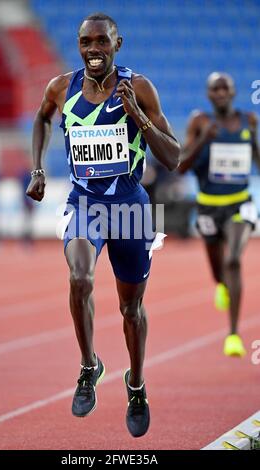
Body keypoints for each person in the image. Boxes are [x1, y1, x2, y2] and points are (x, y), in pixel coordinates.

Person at [26, 13, 180, 437]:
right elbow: (41, 118)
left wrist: (139, 117)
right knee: (80, 277)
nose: (93, 49)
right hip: (85, 205)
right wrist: (37, 168)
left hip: (130, 207)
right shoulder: (61, 87)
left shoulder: (139, 87)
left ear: (118, 43)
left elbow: (173, 157)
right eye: (85, 42)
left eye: (101, 42)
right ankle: (89, 366)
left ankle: (136, 385)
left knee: (130, 308)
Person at [179, 72, 260, 357]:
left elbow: (256, 159)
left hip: (240, 203)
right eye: (216, 88)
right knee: (218, 271)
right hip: (208, 206)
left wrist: (254, 147)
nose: (221, 92)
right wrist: (203, 139)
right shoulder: (199, 122)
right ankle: (222, 285)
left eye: (226, 87)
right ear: (209, 94)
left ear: (234, 92)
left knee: (234, 259)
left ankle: (233, 334)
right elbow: (181, 166)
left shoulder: (248, 120)